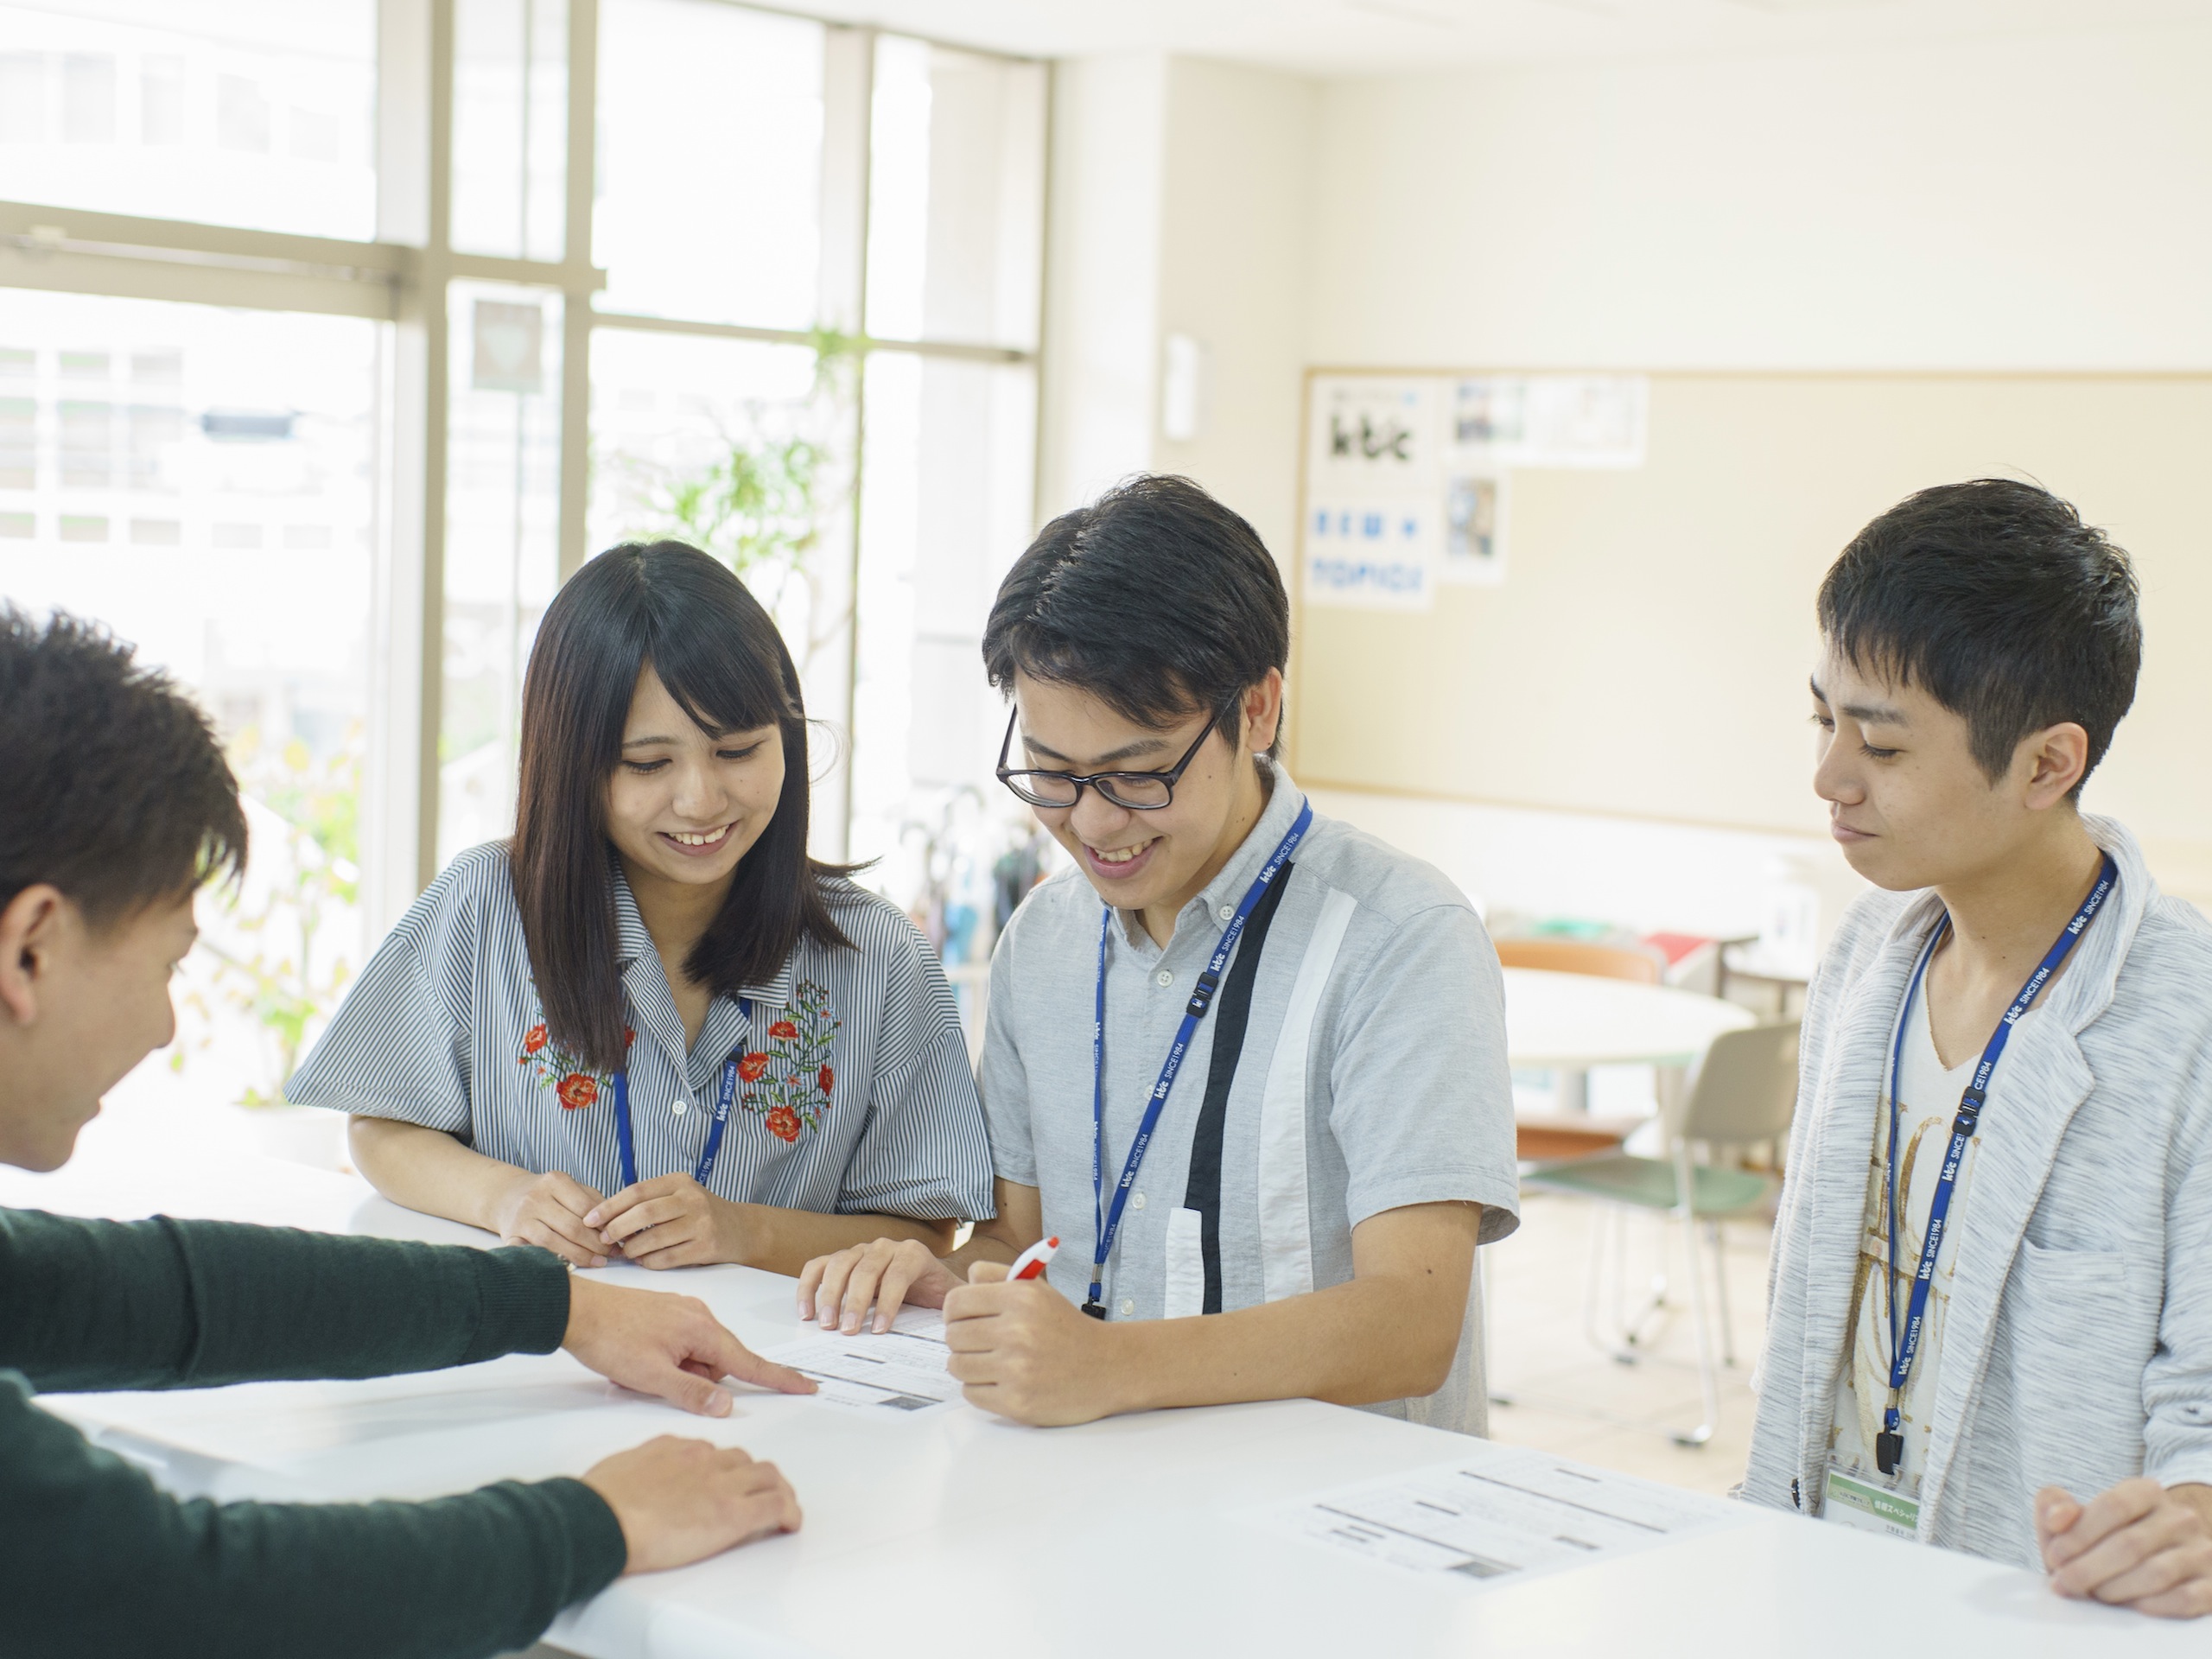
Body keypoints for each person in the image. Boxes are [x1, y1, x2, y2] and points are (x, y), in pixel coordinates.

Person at [0, 607, 817, 1657]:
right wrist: (598, 1522)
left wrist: (556, 1303)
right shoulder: (482, 901)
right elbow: (174, 1588)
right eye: (167, 964)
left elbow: (149, 1292)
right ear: (31, 948)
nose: (166, 1026)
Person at [798, 475, 1520, 1430]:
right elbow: (1022, 1242)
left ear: (1256, 712)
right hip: (1109, 1493)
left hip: (1332, 1516)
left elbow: (1410, 1323)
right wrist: (928, 1271)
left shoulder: (1398, 938)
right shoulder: (1044, 941)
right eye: (1051, 775)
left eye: (1138, 775)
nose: (1093, 823)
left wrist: (1110, 1365)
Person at [1743, 480, 2212, 1618]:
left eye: (1884, 746)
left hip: (2032, 1609)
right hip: (1806, 1577)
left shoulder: (2186, 1016)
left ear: (2048, 765)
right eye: (1825, 720)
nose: (1830, 779)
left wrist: (2192, 1514)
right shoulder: (1869, 957)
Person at [289, 541, 994, 1273]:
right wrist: (503, 1198)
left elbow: (925, 1230)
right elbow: (379, 1126)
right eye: (648, 764)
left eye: (738, 751)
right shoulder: (483, 909)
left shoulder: (877, 954)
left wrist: (746, 1233)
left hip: (775, 1373)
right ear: (573, 763)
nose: (701, 800)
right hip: (546, 1369)